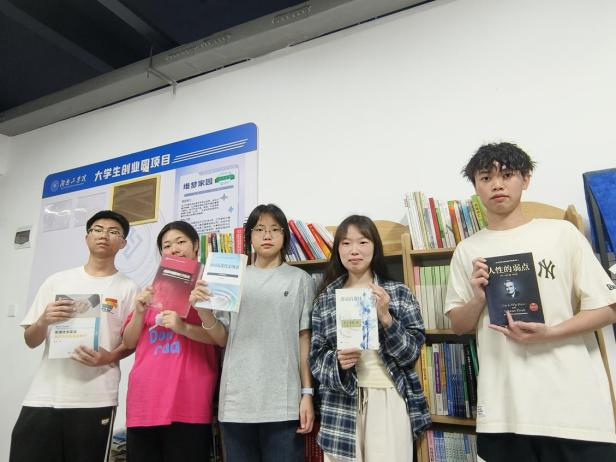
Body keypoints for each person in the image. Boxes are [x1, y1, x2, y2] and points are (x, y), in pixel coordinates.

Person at [445, 142, 616, 461]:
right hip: (504, 413)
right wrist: (478, 297)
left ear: (525, 179)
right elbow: (458, 325)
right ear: (476, 187)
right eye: (486, 178)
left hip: (575, 411)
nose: (496, 184)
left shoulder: (562, 233)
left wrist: (551, 332)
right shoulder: (467, 250)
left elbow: (608, 308)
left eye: (507, 174)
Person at [10, 210, 140, 462]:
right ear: (86, 237)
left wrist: (109, 357)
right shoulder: (57, 281)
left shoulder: (129, 288)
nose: (104, 235)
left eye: (113, 232)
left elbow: (131, 342)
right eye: (98, 229)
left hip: (96, 398)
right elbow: (30, 340)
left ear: (123, 243)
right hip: (44, 396)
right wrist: (43, 320)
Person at [310, 215, 430, 462]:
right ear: (338, 250)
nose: (354, 250)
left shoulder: (398, 293)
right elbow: (316, 358)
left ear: (375, 247)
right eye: (346, 243)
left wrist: (386, 318)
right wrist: (338, 362)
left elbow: (411, 353)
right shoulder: (325, 298)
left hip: (388, 395)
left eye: (363, 242)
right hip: (340, 403)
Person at [216, 204, 316, 462]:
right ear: (249, 236)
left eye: (275, 229)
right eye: (259, 229)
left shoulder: (300, 279)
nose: (267, 235)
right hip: (236, 403)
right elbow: (220, 336)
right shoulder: (233, 277)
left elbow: (304, 339)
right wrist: (203, 310)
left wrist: (307, 393)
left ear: (285, 236)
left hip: (283, 402)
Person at [122, 220, 225, 462]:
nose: (174, 249)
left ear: (195, 246)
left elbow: (221, 339)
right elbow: (129, 341)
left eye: (180, 242)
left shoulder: (210, 288)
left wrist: (183, 328)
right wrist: (139, 312)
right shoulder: (151, 290)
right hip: (144, 401)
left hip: (189, 400)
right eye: (167, 246)